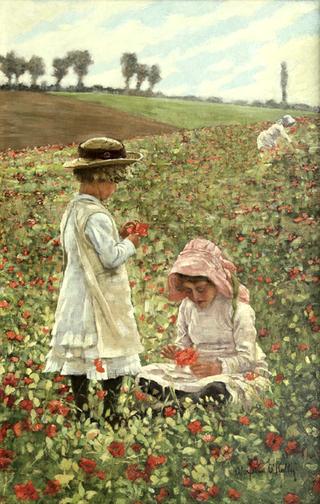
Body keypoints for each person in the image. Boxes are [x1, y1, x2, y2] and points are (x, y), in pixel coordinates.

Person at [44, 137, 144, 424]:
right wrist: (131, 242)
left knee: (80, 355)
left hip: (75, 292)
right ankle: (112, 412)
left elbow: (85, 249)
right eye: (113, 182)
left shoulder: (73, 210)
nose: (114, 189)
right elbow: (111, 258)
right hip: (98, 294)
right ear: (100, 179)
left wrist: (119, 237)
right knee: (110, 348)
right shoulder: (97, 215)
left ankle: (81, 410)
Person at [137, 238, 270, 409]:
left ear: (217, 282)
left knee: (219, 388)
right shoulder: (187, 306)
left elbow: (248, 359)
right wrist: (178, 354)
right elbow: (184, 344)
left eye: (200, 289)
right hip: (197, 372)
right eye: (188, 291)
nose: (195, 297)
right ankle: (190, 399)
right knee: (145, 375)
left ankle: (185, 402)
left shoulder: (238, 309)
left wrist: (218, 368)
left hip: (234, 372)